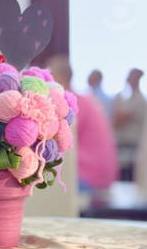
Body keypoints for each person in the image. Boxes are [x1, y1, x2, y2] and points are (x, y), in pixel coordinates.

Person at [46, 54, 118, 193]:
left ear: (59, 77)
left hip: (89, 176)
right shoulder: (82, 100)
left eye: (49, 75)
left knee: (35, 187)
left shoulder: (70, 103)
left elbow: (56, 141)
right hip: (101, 174)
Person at [114, 68, 147, 181]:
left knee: (126, 180)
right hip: (124, 145)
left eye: (130, 76)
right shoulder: (128, 98)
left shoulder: (138, 100)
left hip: (131, 147)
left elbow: (118, 121)